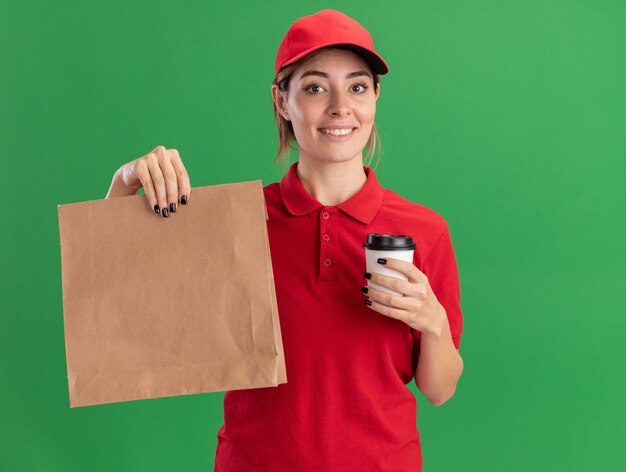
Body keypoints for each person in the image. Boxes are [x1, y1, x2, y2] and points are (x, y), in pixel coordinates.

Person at [106, 9, 463, 471]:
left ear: (375, 96)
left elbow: (440, 389)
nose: (340, 107)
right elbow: (118, 304)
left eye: (357, 86)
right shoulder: (238, 222)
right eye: (315, 87)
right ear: (281, 100)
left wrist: (432, 320)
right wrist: (124, 180)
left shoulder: (425, 230)